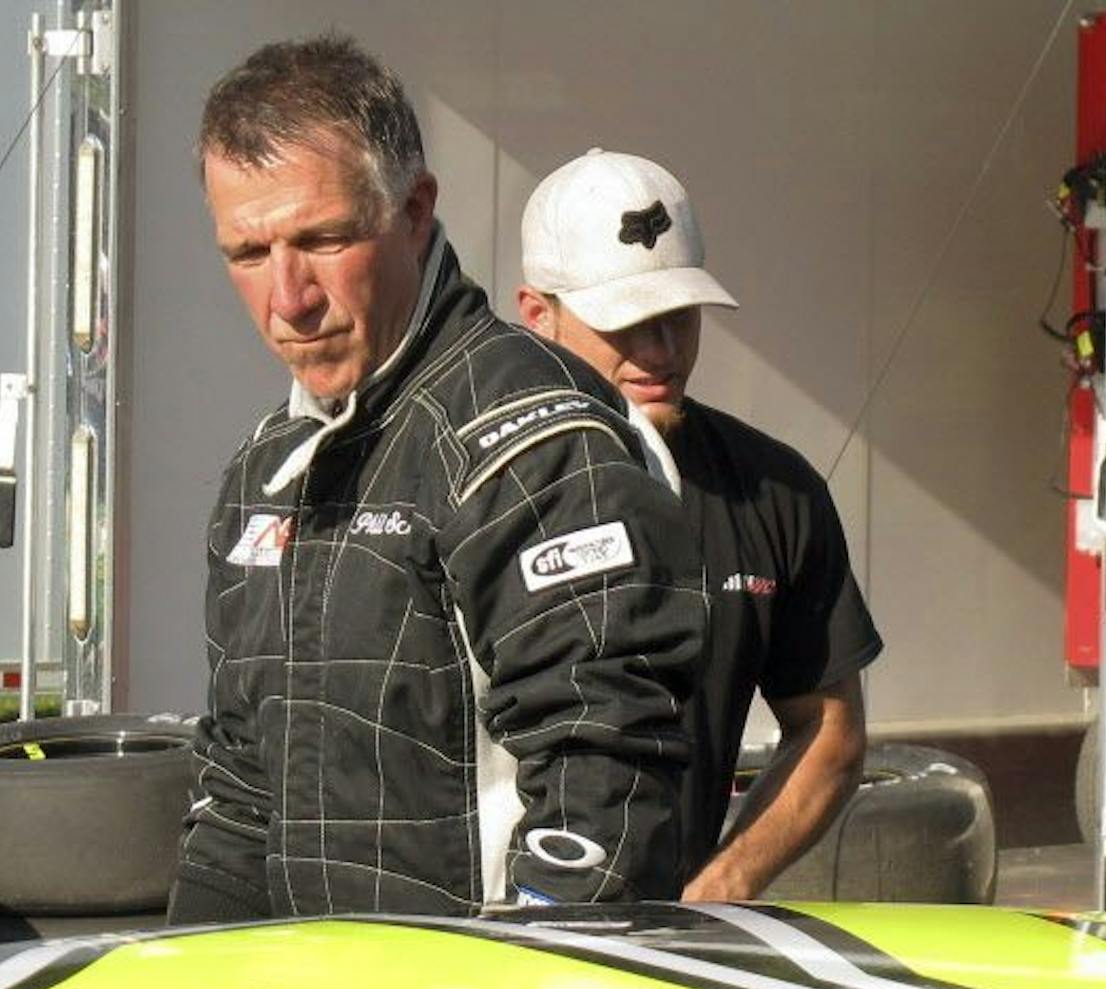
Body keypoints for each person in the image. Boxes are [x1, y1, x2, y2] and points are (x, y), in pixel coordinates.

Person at [168, 37, 707, 925]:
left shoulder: (536, 440)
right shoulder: (268, 466)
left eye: (323, 239)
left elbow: (602, 783)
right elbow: (237, 791)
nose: (288, 297)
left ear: (416, 211)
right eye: (248, 252)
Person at [515, 149, 883, 901]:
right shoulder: (453, 486)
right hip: (468, 957)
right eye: (625, 319)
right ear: (536, 315)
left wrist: (722, 884)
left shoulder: (773, 491)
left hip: (668, 966)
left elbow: (830, 730)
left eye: (678, 314)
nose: (660, 350)